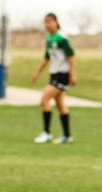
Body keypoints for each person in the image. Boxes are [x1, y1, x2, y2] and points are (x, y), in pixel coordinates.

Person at [32, 13, 76, 144]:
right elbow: (46, 57)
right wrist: (37, 72)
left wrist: (72, 74)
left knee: (44, 100)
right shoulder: (48, 38)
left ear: (56, 22)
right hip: (54, 73)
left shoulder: (62, 38)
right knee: (60, 105)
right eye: (45, 22)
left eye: (50, 21)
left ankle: (46, 133)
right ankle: (67, 136)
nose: (47, 24)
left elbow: (71, 56)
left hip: (62, 74)